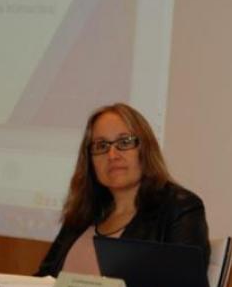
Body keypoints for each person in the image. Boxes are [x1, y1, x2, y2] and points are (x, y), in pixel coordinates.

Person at [36, 103, 209, 277]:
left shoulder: (179, 209)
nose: (112, 155)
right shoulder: (83, 212)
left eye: (124, 142)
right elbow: (42, 280)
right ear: (90, 160)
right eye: (101, 146)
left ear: (145, 149)